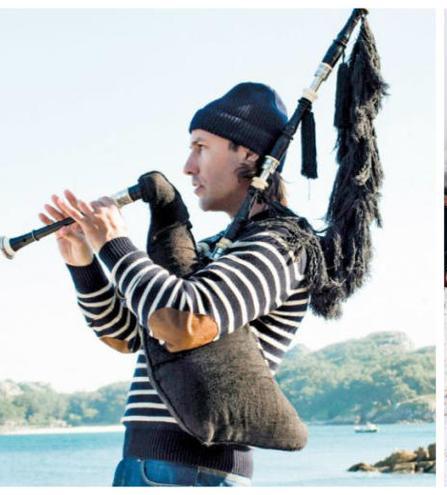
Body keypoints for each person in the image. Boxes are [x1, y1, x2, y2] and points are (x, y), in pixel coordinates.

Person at [41, 83, 363, 486]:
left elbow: (186, 317)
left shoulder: (282, 243)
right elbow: (127, 335)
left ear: (247, 153)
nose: (188, 166)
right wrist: (83, 262)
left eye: (200, 147)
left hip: (195, 473)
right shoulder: (213, 249)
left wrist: (113, 242)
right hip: (141, 463)